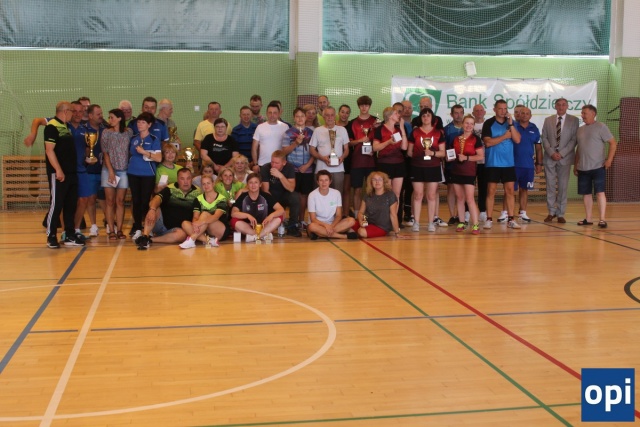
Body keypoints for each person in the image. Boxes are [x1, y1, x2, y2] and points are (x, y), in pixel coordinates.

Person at [44, 101, 82, 248]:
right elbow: (49, 150)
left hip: (71, 173)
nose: (74, 114)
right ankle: (51, 236)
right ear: (65, 111)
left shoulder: (66, 127)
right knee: (57, 204)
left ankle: (69, 235)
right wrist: (58, 170)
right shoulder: (52, 126)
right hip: (59, 174)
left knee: (70, 205)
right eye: (72, 111)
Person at [136, 168, 201, 249]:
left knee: (182, 235)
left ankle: (150, 240)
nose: (186, 182)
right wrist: (152, 209)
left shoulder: (198, 192)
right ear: (177, 179)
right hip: (161, 224)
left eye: (188, 178)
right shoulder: (170, 188)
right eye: (182, 179)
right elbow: (156, 199)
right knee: (155, 208)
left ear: (191, 179)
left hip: (177, 229)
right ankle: (145, 235)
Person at [574, 104, 617, 228]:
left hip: (598, 166)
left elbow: (613, 143)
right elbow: (579, 149)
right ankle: (588, 219)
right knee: (586, 194)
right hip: (583, 168)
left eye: (585, 113)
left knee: (600, 192)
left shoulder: (601, 127)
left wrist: (609, 160)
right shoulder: (580, 130)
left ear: (593, 114)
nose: (582, 115)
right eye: (582, 113)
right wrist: (576, 165)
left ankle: (602, 219)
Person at [481, 99, 521, 230]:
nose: (503, 111)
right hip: (493, 163)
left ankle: (511, 219)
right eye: (500, 109)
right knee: (491, 191)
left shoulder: (511, 124)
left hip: (508, 163)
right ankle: (489, 219)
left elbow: (517, 139)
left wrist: (511, 125)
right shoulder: (489, 123)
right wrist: (504, 136)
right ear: (495, 110)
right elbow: (488, 142)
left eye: (505, 109)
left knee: (510, 191)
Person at [541, 98, 579, 223]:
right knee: (550, 186)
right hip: (550, 157)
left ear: (567, 106)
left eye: (563, 105)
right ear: (555, 106)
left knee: (563, 187)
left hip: (565, 158)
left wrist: (562, 153)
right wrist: (551, 152)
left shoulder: (574, 120)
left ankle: (561, 213)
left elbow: (574, 140)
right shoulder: (548, 120)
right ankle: (551, 212)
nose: (561, 107)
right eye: (559, 105)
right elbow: (544, 138)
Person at [407, 108, 445, 232]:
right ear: (421, 118)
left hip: (433, 167)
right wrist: (418, 155)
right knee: (418, 195)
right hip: (417, 167)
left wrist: (432, 153)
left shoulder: (438, 133)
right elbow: (409, 152)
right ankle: (416, 223)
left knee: (431, 195)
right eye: (423, 116)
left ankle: (430, 223)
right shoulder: (415, 132)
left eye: (428, 115)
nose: (426, 118)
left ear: (432, 118)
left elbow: (443, 152)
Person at [127, 112, 162, 239]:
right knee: (136, 201)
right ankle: (137, 227)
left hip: (148, 174)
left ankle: (148, 228)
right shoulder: (134, 138)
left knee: (145, 201)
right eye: (138, 122)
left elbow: (159, 158)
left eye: (143, 122)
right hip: (133, 173)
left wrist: (145, 152)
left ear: (149, 125)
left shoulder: (153, 139)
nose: (140, 124)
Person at [101, 108, 133, 240]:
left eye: (112, 117)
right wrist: (111, 171)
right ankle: (111, 229)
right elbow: (105, 153)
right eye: (109, 117)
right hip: (108, 170)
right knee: (110, 201)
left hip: (123, 170)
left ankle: (119, 229)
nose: (110, 120)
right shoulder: (106, 133)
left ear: (120, 118)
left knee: (120, 201)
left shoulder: (128, 132)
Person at [74, 104, 105, 238]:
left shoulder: (105, 129)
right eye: (98, 114)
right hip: (89, 170)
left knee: (106, 199)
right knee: (91, 198)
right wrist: (87, 157)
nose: (101, 116)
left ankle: (110, 224)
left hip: (104, 170)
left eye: (101, 113)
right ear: (90, 116)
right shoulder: (84, 130)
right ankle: (93, 225)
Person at [450, 115, 484, 235]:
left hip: (469, 172)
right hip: (456, 171)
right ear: (462, 124)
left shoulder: (476, 139)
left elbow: (480, 156)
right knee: (459, 198)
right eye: (466, 123)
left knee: (469, 198)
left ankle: (475, 224)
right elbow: (451, 153)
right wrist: (449, 157)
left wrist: (467, 158)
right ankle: (462, 222)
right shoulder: (456, 139)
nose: (468, 125)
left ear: (473, 126)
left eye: (471, 123)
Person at [281, 107, 315, 226]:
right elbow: (284, 152)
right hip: (292, 170)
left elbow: (314, 152)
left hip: (307, 169)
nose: (300, 119)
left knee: (304, 195)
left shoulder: (311, 133)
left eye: (302, 116)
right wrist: (296, 143)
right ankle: (292, 221)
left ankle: (301, 221)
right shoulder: (288, 133)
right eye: (297, 116)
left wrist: (307, 165)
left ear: (306, 118)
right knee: (292, 195)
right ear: (294, 118)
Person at [346, 95, 378, 220]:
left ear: (369, 106)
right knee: (357, 189)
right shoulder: (352, 122)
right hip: (357, 161)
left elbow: (380, 140)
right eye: (362, 105)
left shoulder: (376, 121)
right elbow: (349, 143)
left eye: (366, 105)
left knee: (372, 189)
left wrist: (374, 149)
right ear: (359, 106)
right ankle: (357, 216)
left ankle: (372, 215)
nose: (364, 107)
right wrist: (360, 140)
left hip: (371, 161)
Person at [372, 106, 408, 212]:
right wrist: (388, 142)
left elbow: (404, 147)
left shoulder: (398, 130)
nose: (399, 115)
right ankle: (385, 218)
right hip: (385, 164)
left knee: (396, 194)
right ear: (390, 116)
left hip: (399, 164)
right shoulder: (380, 129)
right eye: (396, 113)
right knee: (386, 193)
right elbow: (375, 147)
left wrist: (402, 128)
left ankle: (394, 217)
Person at [231, 173, 285, 242]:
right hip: (248, 227)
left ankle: (255, 237)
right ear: (247, 185)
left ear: (260, 184)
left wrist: (271, 216)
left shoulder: (266, 196)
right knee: (233, 221)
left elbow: (281, 209)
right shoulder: (243, 196)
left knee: (280, 216)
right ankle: (263, 235)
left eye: (256, 182)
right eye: (250, 183)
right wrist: (247, 216)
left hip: (264, 226)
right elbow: (233, 213)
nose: (253, 185)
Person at [179, 175, 229, 248]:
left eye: (208, 183)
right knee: (185, 224)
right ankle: (208, 241)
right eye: (204, 184)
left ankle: (192, 239)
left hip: (220, 230)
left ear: (213, 184)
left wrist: (200, 222)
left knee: (205, 214)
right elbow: (195, 217)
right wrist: (195, 225)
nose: (206, 186)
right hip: (204, 230)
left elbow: (216, 217)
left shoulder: (222, 198)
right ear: (201, 186)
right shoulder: (198, 199)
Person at [260, 150, 301, 236]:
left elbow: (291, 188)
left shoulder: (289, 167)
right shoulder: (265, 168)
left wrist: (281, 176)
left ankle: (292, 226)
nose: (273, 165)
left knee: (295, 197)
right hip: (270, 197)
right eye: (272, 162)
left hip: (284, 195)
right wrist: (278, 207)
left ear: (284, 163)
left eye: (277, 163)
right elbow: (265, 190)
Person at [310, 106, 350, 194]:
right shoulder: (317, 130)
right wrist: (322, 158)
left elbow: (346, 149)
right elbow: (312, 149)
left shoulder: (342, 130)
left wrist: (342, 157)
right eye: (327, 115)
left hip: (338, 169)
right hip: (321, 169)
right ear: (323, 116)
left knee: (337, 195)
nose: (330, 117)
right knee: (320, 195)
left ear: (335, 116)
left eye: (332, 115)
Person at [306, 171, 357, 240]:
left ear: (330, 181)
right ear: (317, 182)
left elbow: (338, 215)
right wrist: (325, 226)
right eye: (321, 180)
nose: (324, 183)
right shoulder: (312, 195)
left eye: (326, 180)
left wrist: (331, 226)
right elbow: (313, 219)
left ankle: (320, 234)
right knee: (312, 226)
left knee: (351, 220)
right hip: (318, 224)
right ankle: (343, 236)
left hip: (333, 224)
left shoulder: (336, 193)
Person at [513, 107, 542, 222]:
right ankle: (507, 213)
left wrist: (539, 163)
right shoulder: (513, 126)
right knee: (510, 190)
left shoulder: (534, 128)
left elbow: (538, 148)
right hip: (513, 164)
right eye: (522, 113)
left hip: (528, 166)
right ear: (518, 115)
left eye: (527, 113)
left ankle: (523, 213)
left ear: (530, 116)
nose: (524, 115)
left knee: (524, 189)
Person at [355, 171, 401, 238]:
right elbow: (361, 212)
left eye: (380, 179)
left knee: (361, 232)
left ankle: (348, 234)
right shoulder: (368, 195)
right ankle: (343, 233)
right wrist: (360, 221)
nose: (377, 182)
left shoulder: (390, 195)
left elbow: (393, 215)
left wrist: (397, 232)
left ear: (384, 182)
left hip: (381, 227)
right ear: (371, 182)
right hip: (367, 223)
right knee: (349, 221)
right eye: (374, 180)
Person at [442, 104, 465, 225]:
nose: (459, 115)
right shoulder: (446, 129)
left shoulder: (467, 128)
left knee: (463, 190)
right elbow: (444, 147)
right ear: (451, 114)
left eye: (461, 113)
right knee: (451, 189)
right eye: (456, 113)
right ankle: (452, 215)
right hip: (451, 164)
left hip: (466, 164)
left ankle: (461, 215)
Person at [252, 101, 288, 172]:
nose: (272, 115)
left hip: (279, 165)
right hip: (262, 164)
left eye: (275, 113)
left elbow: (287, 147)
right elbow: (254, 147)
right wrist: (255, 163)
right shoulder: (260, 127)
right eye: (270, 112)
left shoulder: (285, 127)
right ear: (266, 113)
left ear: (279, 113)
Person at [472, 103, 488, 222]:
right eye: (476, 111)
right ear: (473, 113)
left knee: (484, 187)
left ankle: (483, 210)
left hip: (485, 161)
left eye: (481, 110)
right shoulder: (469, 125)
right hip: (471, 162)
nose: (479, 112)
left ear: (484, 112)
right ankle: (467, 211)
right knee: (469, 188)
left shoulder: (488, 125)